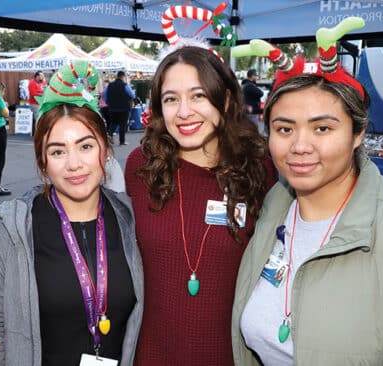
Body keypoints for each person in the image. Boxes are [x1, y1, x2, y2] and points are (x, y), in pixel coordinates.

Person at [231, 27, 383, 365]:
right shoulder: (276, 203)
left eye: (323, 128)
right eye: (284, 129)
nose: (300, 146)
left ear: (357, 134)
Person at [0, 60, 143, 366]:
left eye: (85, 146)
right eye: (57, 151)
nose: (74, 164)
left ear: (104, 151)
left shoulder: (131, 219)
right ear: (42, 162)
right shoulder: (9, 228)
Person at [124, 45, 277, 364]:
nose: (183, 112)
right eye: (171, 99)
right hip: (150, 355)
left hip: (230, 355)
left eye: (197, 96)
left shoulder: (260, 169)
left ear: (224, 99)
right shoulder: (140, 168)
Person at [104, 70, 136, 146]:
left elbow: (105, 95)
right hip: (123, 108)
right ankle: (122, 141)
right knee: (122, 124)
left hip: (112, 108)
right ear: (123, 76)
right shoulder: (124, 85)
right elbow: (132, 95)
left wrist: (108, 102)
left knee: (113, 123)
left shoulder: (110, 85)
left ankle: (110, 134)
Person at [241, 69, 265, 133]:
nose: (256, 77)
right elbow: (261, 93)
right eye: (255, 76)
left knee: (248, 130)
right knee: (254, 131)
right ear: (252, 76)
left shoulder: (244, 85)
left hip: (247, 110)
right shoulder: (250, 85)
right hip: (252, 112)